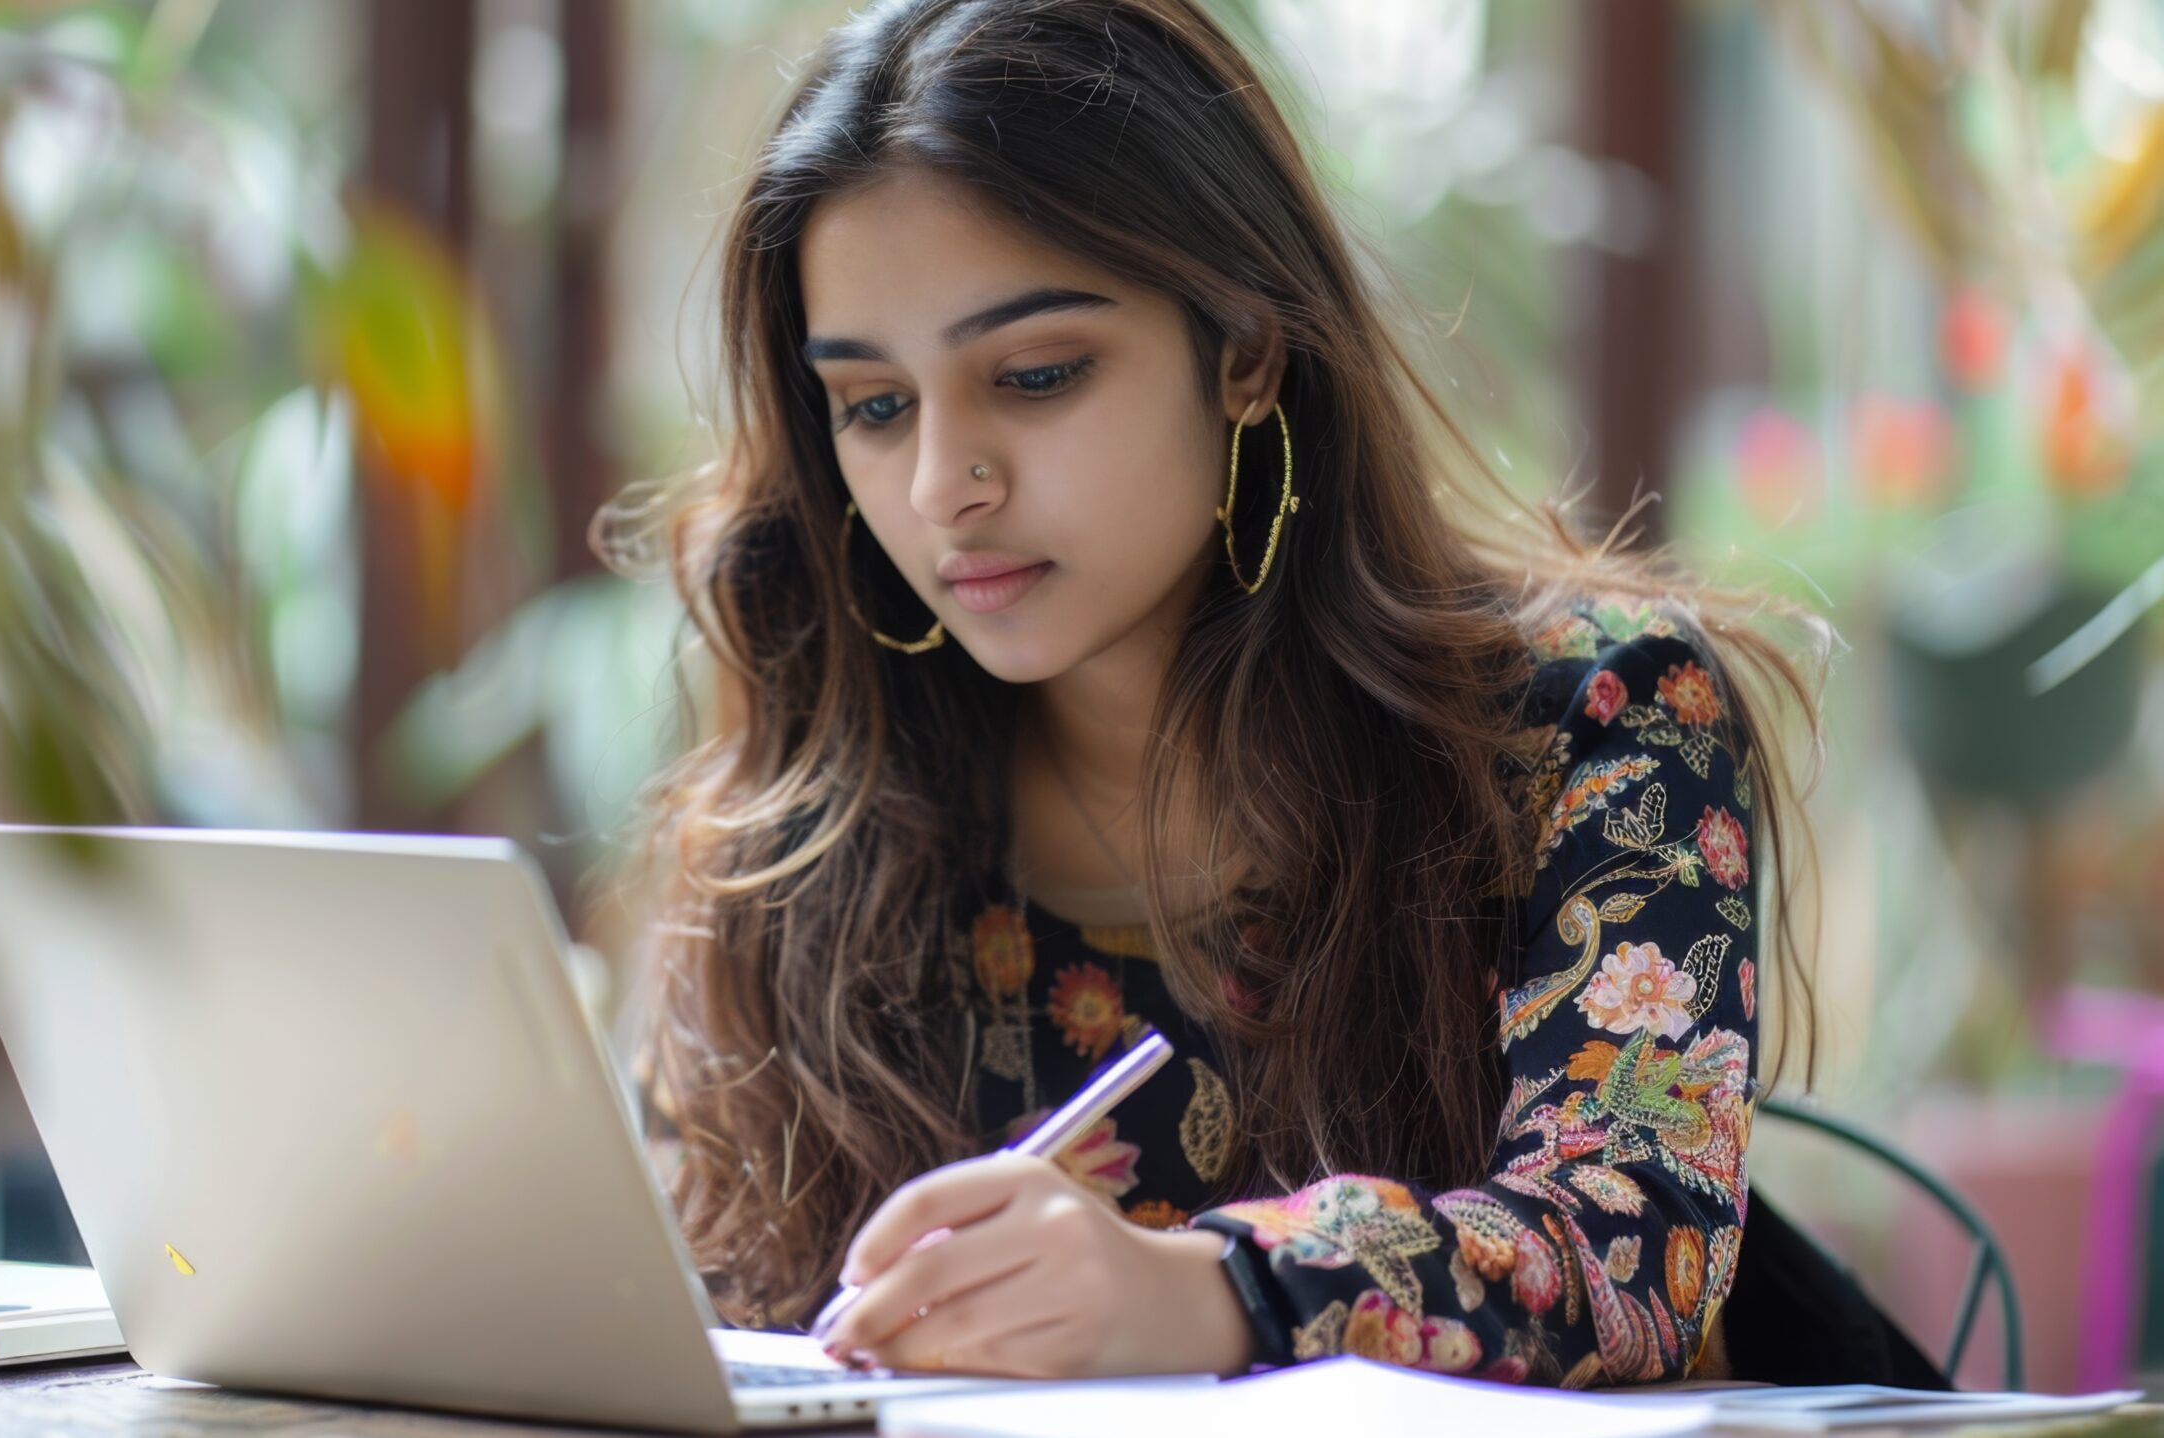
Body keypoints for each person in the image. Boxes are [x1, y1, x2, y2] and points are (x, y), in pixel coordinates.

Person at [596, 0, 1871, 1389]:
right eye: (874, 404)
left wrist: (1214, 1292)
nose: (940, 485)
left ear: (1249, 347)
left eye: (1034, 376)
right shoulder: (809, 816)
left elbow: (1634, 1247)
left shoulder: (1593, 716)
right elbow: (701, 1307)